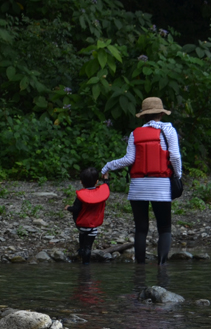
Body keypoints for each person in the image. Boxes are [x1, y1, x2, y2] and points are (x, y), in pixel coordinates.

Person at [101, 97, 182, 265]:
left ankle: (140, 268)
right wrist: (178, 175)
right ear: (161, 113)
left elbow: (129, 160)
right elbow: (174, 156)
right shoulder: (169, 130)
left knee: (141, 229)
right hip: (161, 185)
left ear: (143, 116)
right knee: (164, 228)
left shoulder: (135, 134)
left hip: (138, 186)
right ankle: (161, 267)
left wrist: (108, 166)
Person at [66, 166, 110, 265]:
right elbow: (107, 187)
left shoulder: (81, 196)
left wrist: (68, 208)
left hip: (81, 225)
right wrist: (106, 179)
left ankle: (81, 251)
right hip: (93, 226)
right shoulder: (102, 193)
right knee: (88, 247)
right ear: (97, 181)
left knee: (82, 235)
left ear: (81, 182)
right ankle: (86, 266)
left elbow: (76, 209)